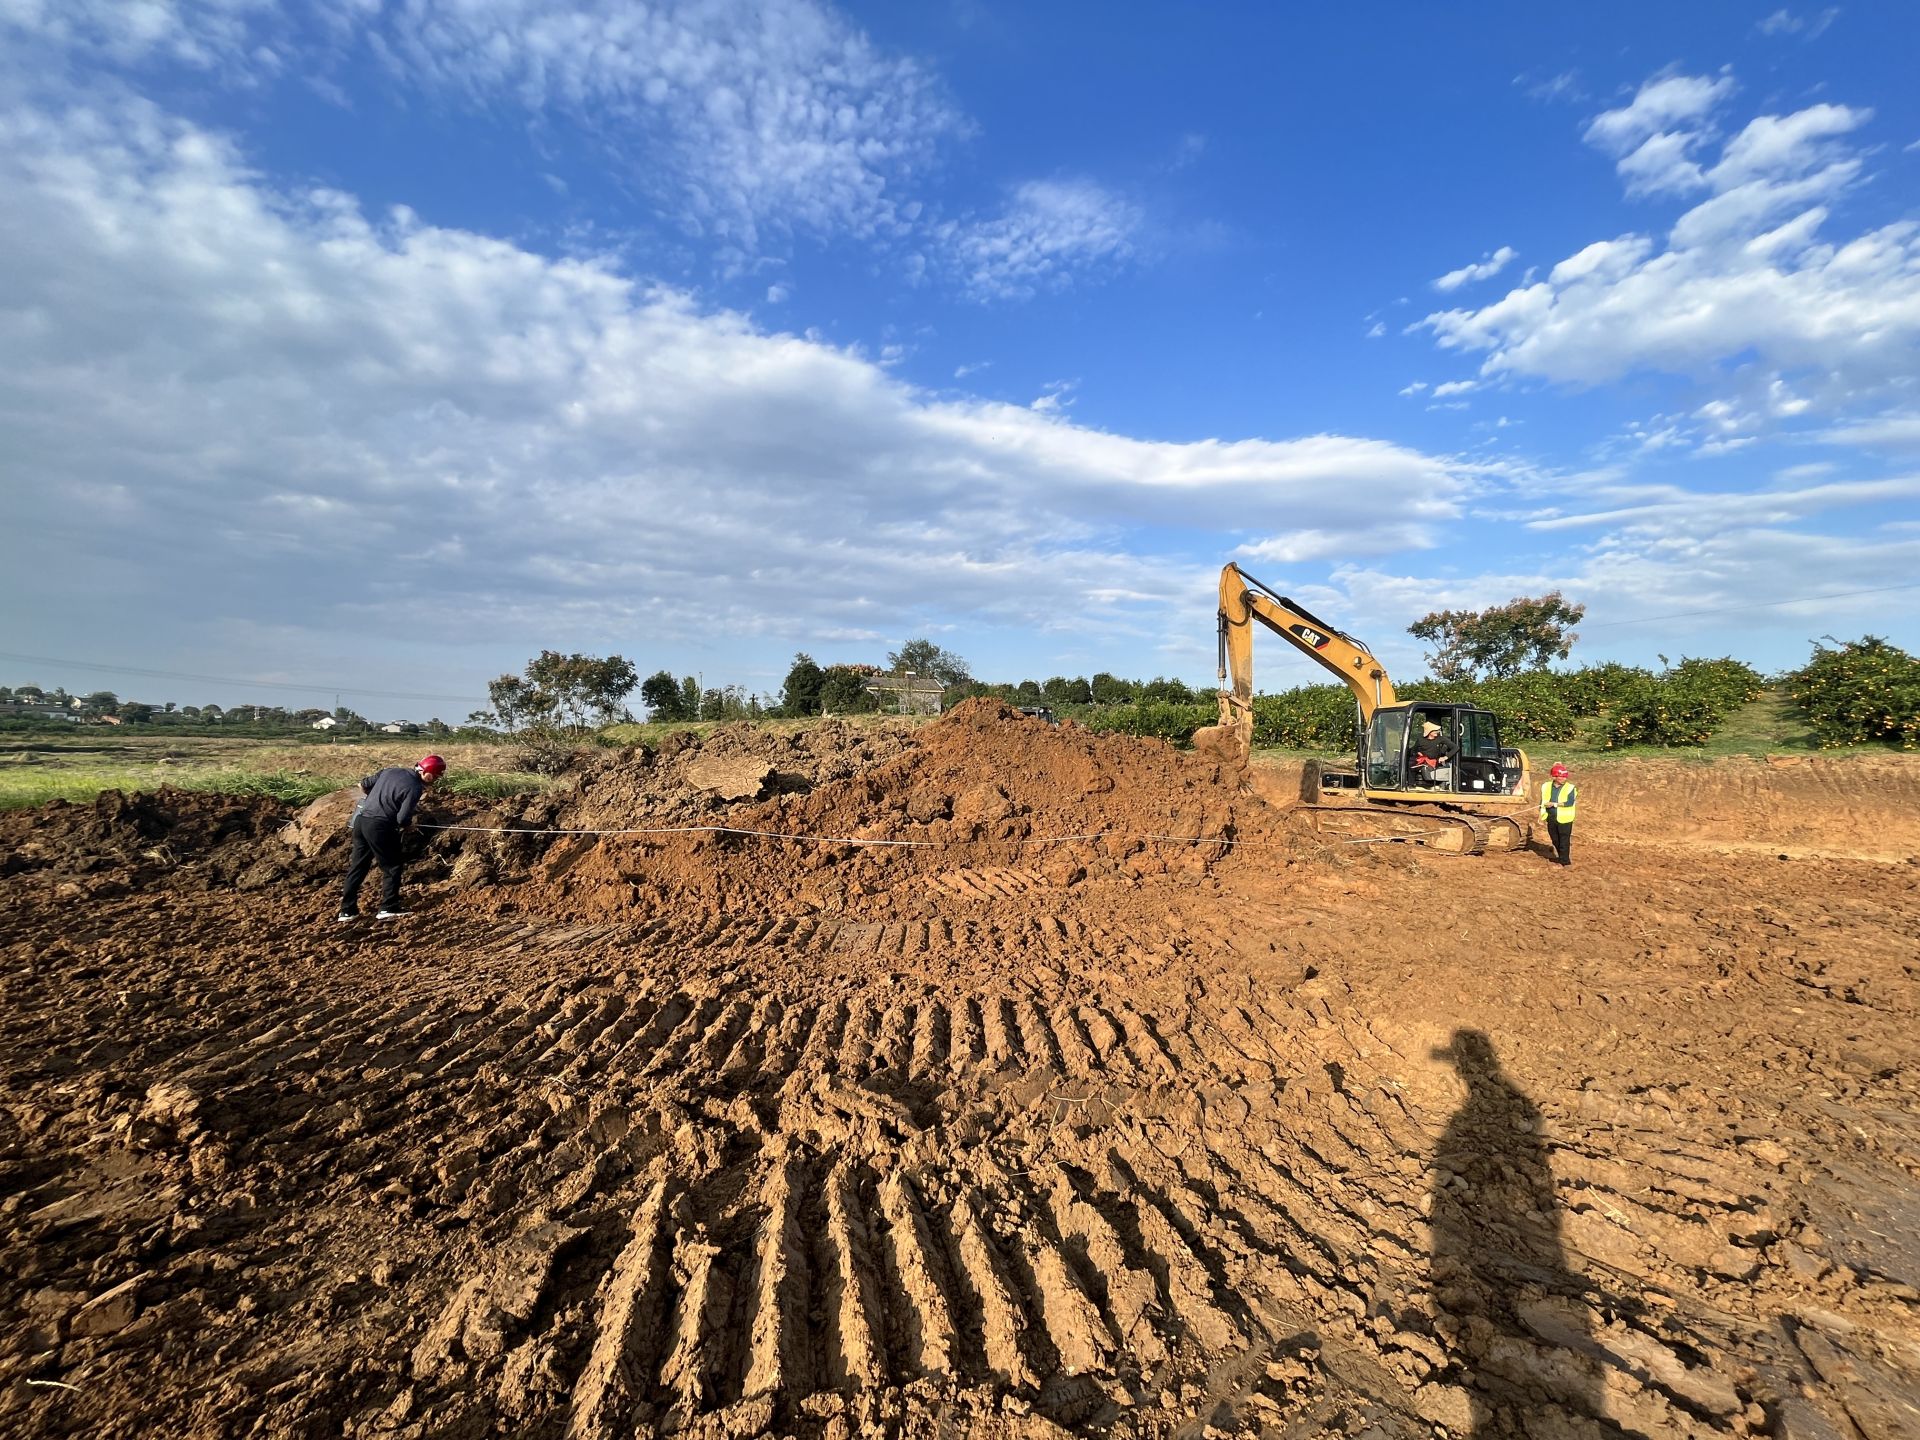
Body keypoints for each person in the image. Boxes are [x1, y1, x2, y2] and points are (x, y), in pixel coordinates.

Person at [338, 754, 445, 921]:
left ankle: (347, 911)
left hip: (361, 821)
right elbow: (402, 818)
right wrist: (408, 825)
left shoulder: (390, 771)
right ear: (428, 774)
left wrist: (375, 800)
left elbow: (363, 784)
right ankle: (388, 907)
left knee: (358, 867)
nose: (435, 780)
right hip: (380, 826)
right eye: (436, 777)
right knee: (392, 867)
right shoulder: (415, 787)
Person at [1539, 761, 1577, 867]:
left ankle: (1565, 861)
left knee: (1564, 840)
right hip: (1551, 817)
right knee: (1555, 839)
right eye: (1561, 777)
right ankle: (1561, 857)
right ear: (1554, 777)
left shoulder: (1570, 788)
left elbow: (1569, 802)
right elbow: (1543, 800)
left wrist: (1554, 804)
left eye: (1565, 777)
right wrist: (1541, 811)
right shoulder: (1546, 786)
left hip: (1565, 819)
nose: (1563, 779)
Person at [1411, 717, 1454, 787]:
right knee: (1410, 765)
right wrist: (1418, 753)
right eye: (1435, 730)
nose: (1437, 732)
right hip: (1422, 761)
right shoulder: (1420, 740)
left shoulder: (1441, 739)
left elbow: (1455, 748)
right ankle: (1411, 785)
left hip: (1434, 763)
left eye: (1437, 730)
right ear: (1429, 731)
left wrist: (1445, 757)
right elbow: (1413, 750)